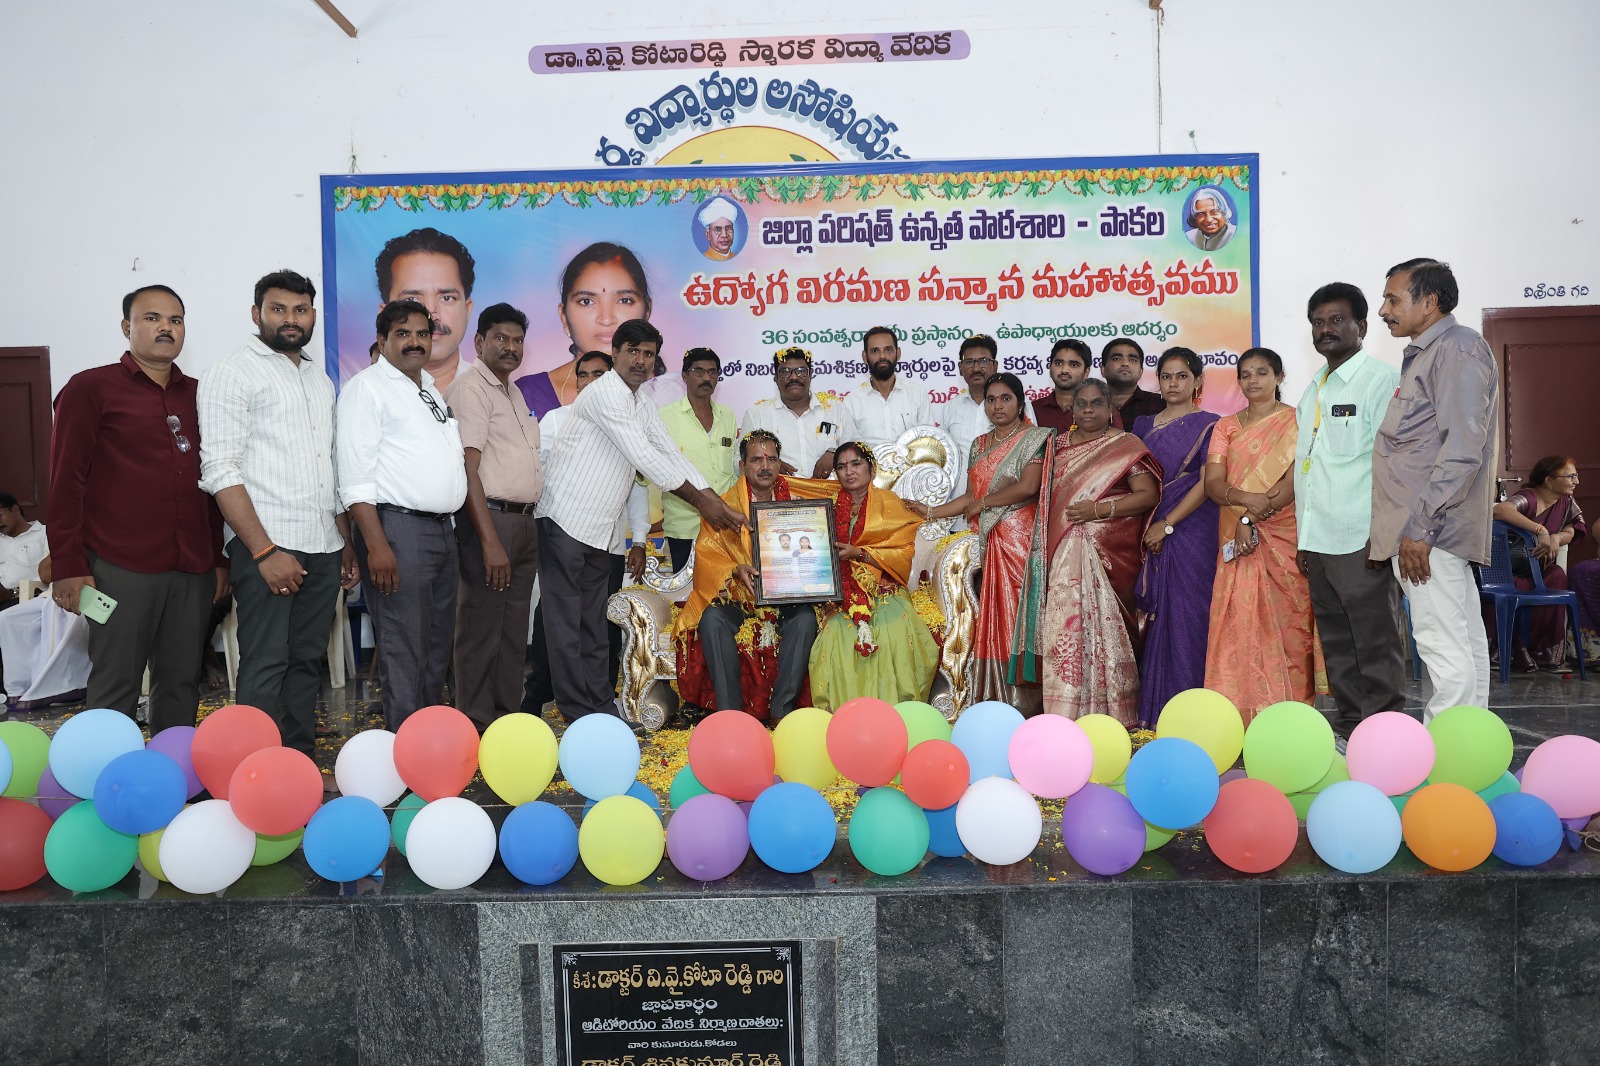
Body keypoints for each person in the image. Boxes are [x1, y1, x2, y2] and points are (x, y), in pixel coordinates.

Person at [537, 319, 744, 728]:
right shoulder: (604, 394)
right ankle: (579, 714)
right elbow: (644, 458)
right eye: (632, 351)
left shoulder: (641, 402)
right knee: (566, 627)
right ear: (615, 353)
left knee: (594, 624)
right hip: (564, 520)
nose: (640, 360)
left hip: (600, 530)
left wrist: (715, 502)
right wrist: (706, 504)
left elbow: (671, 454)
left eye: (648, 354)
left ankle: (601, 706)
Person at [47, 285, 229, 732]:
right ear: (126, 327)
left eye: (175, 320)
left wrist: (218, 559)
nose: (166, 327)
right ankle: (104, 772)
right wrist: (69, 565)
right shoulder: (90, 388)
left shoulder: (200, 395)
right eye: (152, 318)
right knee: (116, 680)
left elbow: (212, 483)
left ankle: (172, 768)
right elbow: (65, 484)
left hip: (191, 567)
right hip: (117, 567)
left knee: (182, 681)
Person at [198, 270, 358, 758]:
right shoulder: (233, 371)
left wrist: (345, 543)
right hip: (268, 544)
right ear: (257, 314)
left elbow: (328, 466)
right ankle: (253, 769)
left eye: (300, 310)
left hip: (323, 544)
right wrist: (265, 552)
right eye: (278, 309)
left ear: (313, 315)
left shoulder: (318, 378)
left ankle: (296, 766)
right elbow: (220, 470)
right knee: (266, 662)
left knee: (307, 662)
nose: (291, 319)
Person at [1371, 259, 1499, 720]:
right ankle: (1470, 746)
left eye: (1393, 299)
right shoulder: (1430, 352)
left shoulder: (1456, 348)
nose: (1383, 310)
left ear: (1429, 302)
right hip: (1428, 531)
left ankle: (1445, 754)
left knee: (1442, 647)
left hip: (1428, 532)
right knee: (1461, 642)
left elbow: (1463, 448)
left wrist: (1421, 529)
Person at [336, 300, 468, 728]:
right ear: (382, 340)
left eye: (422, 333)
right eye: (403, 333)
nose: (414, 342)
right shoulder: (367, 388)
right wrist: (377, 547)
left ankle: (425, 740)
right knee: (404, 645)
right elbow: (355, 478)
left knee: (436, 644)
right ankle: (403, 744)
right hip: (398, 531)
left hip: (442, 531)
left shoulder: (427, 386)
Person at [1292, 283, 1406, 739]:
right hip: (1319, 538)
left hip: (1360, 536)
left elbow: (1393, 464)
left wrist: (1383, 533)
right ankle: (1352, 726)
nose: (1325, 329)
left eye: (1336, 320)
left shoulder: (1380, 381)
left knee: (1375, 640)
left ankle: (1384, 734)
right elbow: (1309, 469)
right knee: (1337, 641)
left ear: (1361, 326)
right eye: (1318, 322)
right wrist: (1304, 539)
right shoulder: (1313, 388)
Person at [674, 430, 833, 722]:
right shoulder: (723, 507)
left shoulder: (798, 503)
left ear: (780, 463)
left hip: (787, 596)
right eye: (757, 460)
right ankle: (730, 714)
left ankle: (781, 711)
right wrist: (735, 569)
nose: (765, 466)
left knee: (804, 620)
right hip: (740, 596)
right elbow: (709, 554)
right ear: (742, 466)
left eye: (771, 459)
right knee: (712, 619)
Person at [923, 372, 1052, 714]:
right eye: (992, 399)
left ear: (1020, 403)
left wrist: (984, 503)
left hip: (1020, 539)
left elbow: (1028, 487)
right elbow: (969, 496)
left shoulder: (1035, 438)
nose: (997, 405)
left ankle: (1027, 700)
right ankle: (992, 694)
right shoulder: (979, 444)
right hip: (988, 539)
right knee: (988, 614)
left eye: (1005, 398)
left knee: (1016, 612)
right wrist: (930, 512)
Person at [1202, 348, 1319, 723]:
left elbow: (1294, 481)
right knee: (1239, 626)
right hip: (1236, 537)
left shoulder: (1297, 421)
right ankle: (1240, 717)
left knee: (1290, 625)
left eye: (1262, 372)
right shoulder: (1226, 427)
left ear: (1279, 377)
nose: (1253, 380)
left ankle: (1293, 717)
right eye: (1246, 374)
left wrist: (1248, 517)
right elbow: (1213, 484)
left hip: (1283, 534)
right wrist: (1242, 500)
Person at [521, 351, 637, 716]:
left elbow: (636, 483)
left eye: (598, 374)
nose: (589, 382)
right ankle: (561, 703)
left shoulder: (627, 424)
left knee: (598, 627)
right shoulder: (557, 420)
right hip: (564, 536)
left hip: (608, 543)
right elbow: (539, 475)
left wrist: (639, 536)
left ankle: (599, 702)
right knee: (557, 626)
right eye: (583, 375)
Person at [444, 303, 543, 729]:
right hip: (491, 521)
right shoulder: (471, 389)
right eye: (501, 338)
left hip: (523, 522)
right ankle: (475, 723)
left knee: (513, 631)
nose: (510, 347)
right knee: (481, 629)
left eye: (517, 340)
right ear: (479, 342)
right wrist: (488, 542)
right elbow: (468, 469)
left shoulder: (513, 392)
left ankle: (505, 721)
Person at [1037, 380, 1160, 723]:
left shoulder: (1124, 444)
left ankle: (1114, 711)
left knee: (1108, 626)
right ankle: (1062, 709)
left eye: (1096, 403)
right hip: (1061, 549)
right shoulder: (1055, 447)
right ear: (1072, 409)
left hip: (1108, 554)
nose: (1088, 410)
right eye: (1082, 404)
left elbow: (1147, 494)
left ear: (1110, 410)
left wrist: (1099, 510)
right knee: (1062, 623)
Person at [808, 441, 938, 711]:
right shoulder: (827, 507)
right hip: (841, 590)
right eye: (841, 467)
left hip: (883, 585)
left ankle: (895, 711)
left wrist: (861, 554)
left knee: (892, 629)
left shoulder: (889, 503)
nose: (849, 472)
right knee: (837, 633)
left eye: (856, 464)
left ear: (872, 468)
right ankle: (847, 714)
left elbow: (903, 551)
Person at [1131, 348, 1221, 727]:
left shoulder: (1212, 425)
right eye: (1166, 376)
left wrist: (1167, 524)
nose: (1173, 383)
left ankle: (1195, 716)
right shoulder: (1141, 426)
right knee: (1155, 619)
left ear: (1197, 381)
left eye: (1182, 376)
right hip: (1147, 527)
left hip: (1193, 531)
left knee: (1189, 617)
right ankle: (1155, 714)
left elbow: (1206, 482)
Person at [517, 241, 654, 417]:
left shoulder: (672, 393)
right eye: (586, 301)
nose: (606, 319)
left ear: (647, 311)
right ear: (564, 316)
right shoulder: (525, 396)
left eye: (624, 300)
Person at [1491, 455, 1586, 670]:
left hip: (1539, 568)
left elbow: (1572, 529)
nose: (1576, 481)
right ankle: (1510, 652)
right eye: (1570, 476)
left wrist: (1556, 537)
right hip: (1511, 569)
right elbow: (1500, 510)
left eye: (1576, 476)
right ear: (1549, 480)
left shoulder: (1567, 502)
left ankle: (1545, 652)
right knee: (1515, 587)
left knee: (1557, 576)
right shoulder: (1528, 498)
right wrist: (1540, 530)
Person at [0, 495, 88, 710]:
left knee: (54, 611)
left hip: (65, 591)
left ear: (15, 509)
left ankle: (57, 687)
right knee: (7, 618)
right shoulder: (65, 535)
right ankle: (16, 689)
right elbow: (47, 570)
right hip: (40, 594)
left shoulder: (45, 532)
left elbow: (46, 574)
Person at [658, 348, 739, 571]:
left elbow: (732, 470)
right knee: (688, 591)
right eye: (699, 371)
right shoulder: (664, 417)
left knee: (726, 589)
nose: (706, 378)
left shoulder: (728, 416)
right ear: (684, 376)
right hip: (684, 528)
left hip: (724, 526)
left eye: (712, 372)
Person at [375, 227, 476, 393]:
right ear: (383, 315)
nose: (430, 315)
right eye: (412, 300)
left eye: (447, 298)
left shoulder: (489, 391)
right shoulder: (366, 391)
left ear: (467, 310)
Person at [739, 346, 855, 479]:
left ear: (811, 374)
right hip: (777, 490)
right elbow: (739, 460)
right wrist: (768, 465)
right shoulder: (757, 415)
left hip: (831, 489)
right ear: (775, 377)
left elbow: (858, 450)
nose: (794, 377)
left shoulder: (835, 409)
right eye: (785, 372)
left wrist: (836, 454)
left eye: (801, 371)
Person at [943, 334, 1036, 462]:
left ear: (995, 366)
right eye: (969, 362)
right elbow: (944, 455)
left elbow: (1032, 447)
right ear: (960, 368)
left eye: (983, 361)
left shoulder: (1018, 403)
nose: (976, 368)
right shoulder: (950, 408)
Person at [842, 327, 935, 452]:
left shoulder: (918, 395)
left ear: (898, 353)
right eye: (875, 351)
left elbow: (928, 444)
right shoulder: (852, 402)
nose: (882, 356)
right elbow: (850, 452)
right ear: (865, 357)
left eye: (888, 349)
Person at [1100, 338, 1164, 430]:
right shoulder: (1090, 404)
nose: (1125, 363)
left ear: (1141, 372)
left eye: (1133, 360)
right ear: (1103, 370)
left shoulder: (1160, 404)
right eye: (1117, 359)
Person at [1032, 339, 1091, 436]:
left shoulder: (1097, 411)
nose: (1064, 370)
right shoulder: (1032, 410)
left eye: (1074, 365)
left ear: (1086, 372)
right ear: (1050, 368)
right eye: (1058, 363)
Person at [0, 494, 48, 606]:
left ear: (15, 510)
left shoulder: (44, 534)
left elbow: (49, 575)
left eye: (0, 515)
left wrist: (14, 592)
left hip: (29, 599)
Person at [1183, 187, 1237, 252]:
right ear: (1195, 217)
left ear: (1224, 212)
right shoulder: (1190, 236)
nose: (1209, 219)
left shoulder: (1235, 235)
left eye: (1214, 212)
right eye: (1201, 214)